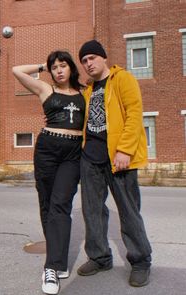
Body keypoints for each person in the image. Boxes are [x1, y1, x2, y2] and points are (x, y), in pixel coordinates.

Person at [77, 40, 152, 287]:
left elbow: (134, 113)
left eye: (91, 58)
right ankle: (100, 257)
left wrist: (124, 150)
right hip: (91, 159)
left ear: (103, 57)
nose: (88, 63)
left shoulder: (123, 79)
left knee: (129, 212)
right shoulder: (88, 90)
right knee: (92, 211)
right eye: (84, 61)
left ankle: (140, 261)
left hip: (119, 158)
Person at [12, 50, 85, 295]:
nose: (59, 70)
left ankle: (52, 267)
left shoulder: (84, 93)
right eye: (55, 68)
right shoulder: (46, 90)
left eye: (63, 66)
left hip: (72, 155)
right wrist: (43, 66)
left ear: (72, 68)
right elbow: (17, 71)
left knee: (60, 205)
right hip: (47, 150)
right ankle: (59, 257)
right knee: (47, 204)